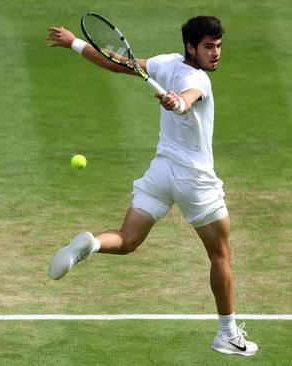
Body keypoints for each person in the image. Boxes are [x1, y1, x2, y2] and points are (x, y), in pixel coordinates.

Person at [45, 16, 258, 356]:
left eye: (218, 47)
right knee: (220, 254)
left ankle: (93, 244)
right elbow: (189, 97)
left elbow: (117, 63)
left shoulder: (165, 62)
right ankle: (227, 334)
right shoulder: (198, 79)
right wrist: (179, 103)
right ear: (192, 47)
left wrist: (74, 42)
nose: (216, 53)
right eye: (208, 47)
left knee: (127, 240)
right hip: (195, 182)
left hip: (161, 173)